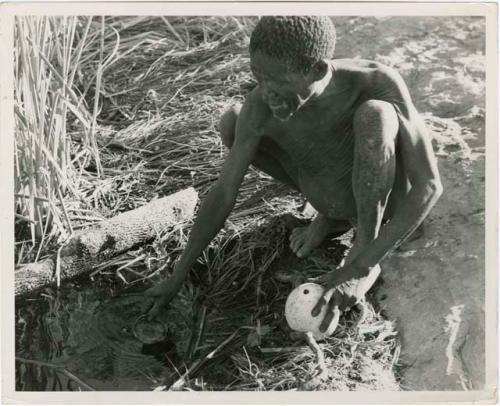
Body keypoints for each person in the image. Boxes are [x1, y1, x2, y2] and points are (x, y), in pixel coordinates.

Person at [145, 16, 442, 333]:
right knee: (233, 121)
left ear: (317, 70)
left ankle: (362, 243)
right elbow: (223, 193)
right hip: (334, 191)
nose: (267, 91)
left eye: (279, 81)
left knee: (376, 115)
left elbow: (428, 185)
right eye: (258, 75)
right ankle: (330, 216)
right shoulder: (262, 102)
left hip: (383, 197)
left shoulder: (375, 82)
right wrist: (177, 275)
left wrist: (360, 265)